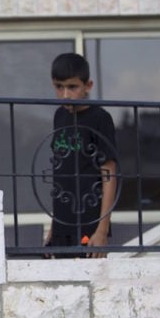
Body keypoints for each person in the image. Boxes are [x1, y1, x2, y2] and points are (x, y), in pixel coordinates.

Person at [44, 52, 117, 259]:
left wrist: (102, 230)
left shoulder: (100, 118)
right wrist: (53, 227)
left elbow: (110, 175)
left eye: (72, 87)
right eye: (59, 87)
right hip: (62, 221)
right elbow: (60, 174)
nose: (65, 94)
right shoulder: (59, 115)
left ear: (88, 86)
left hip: (90, 220)